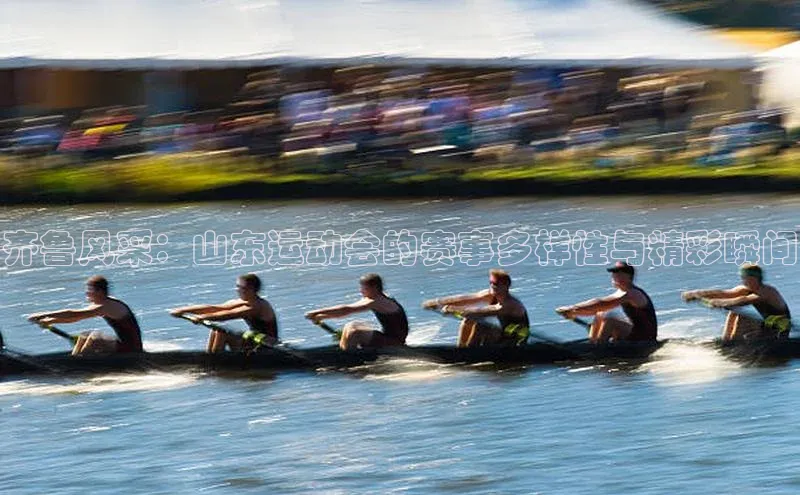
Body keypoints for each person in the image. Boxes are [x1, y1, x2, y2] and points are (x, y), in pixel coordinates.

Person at [28, 275, 143, 355]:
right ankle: (75, 359)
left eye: (90, 290)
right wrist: (50, 321)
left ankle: (78, 365)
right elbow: (74, 318)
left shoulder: (107, 306)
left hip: (132, 349)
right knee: (84, 336)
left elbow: (74, 314)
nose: (87, 293)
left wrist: (44, 315)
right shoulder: (103, 304)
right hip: (125, 345)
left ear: (100, 292)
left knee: (95, 339)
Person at [170, 273, 278, 353]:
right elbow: (216, 308)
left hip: (266, 348)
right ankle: (210, 356)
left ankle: (215, 362)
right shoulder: (245, 301)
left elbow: (228, 315)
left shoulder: (259, 306)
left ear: (251, 289)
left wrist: (202, 317)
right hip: (253, 342)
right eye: (238, 286)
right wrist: (183, 310)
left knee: (222, 332)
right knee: (217, 330)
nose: (238, 290)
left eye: (241, 288)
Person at [682, 263, 791, 341]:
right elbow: (724, 293)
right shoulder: (746, 288)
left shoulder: (767, 292)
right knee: (733, 312)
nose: (742, 280)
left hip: (779, 331)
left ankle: (732, 345)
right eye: (742, 277)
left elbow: (743, 301)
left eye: (745, 277)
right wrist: (696, 294)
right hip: (767, 326)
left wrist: (718, 303)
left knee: (741, 316)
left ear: (754, 278)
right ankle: (727, 341)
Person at [422, 269, 529, 347]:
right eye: (491, 283)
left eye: (496, 284)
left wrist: (453, 310)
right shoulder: (491, 294)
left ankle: (471, 351)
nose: (492, 286)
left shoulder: (511, 305)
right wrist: (437, 302)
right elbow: (466, 299)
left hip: (515, 341)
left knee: (480, 324)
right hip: (503, 334)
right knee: (468, 319)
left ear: (506, 286)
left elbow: (481, 311)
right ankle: (461, 349)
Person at [556, 261, 657, 344]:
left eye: (618, 273)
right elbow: (596, 308)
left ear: (628, 276)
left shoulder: (633, 294)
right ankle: (593, 342)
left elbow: (601, 303)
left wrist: (573, 308)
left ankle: (599, 348)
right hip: (636, 333)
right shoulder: (621, 292)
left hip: (645, 339)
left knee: (610, 319)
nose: (613, 276)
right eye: (613, 273)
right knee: (601, 313)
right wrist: (574, 313)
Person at [305, 273, 408, 350]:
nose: (361, 291)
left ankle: (347, 356)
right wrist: (321, 317)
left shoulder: (377, 301)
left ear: (374, 288)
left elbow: (346, 309)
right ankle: (344, 349)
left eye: (364, 288)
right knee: (351, 325)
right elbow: (345, 311)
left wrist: (316, 312)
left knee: (355, 333)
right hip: (387, 337)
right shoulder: (375, 297)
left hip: (394, 343)